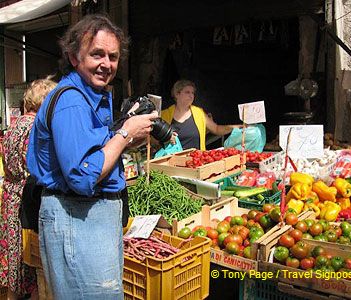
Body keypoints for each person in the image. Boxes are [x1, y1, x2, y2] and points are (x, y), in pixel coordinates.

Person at [26, 14, 158, 299]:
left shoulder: (90, 97)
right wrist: (124, 134)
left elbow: (95, 153)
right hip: (77, 219)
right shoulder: (72, 101)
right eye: (97, 54)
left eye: (113, 56)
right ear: (74, 57)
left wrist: (126, 139)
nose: (106, 64)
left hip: (88, 219)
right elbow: (83, 175)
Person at [0, 77, 57, 300]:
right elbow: (35, 167)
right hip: (26, 198)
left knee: (14, 255)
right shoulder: (35, 128)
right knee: (29, 257)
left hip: (10, 195)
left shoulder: (15, 125)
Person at [161, 79, 240, 150]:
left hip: (195, 161)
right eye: (187, 92)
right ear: (177, 94)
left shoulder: (199, 113)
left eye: (193, 93)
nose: (191, 95)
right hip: (172, 162)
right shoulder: (164, 115)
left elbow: (216, 129)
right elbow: (153, 141)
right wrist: (166, 138)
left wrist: (235, 127)